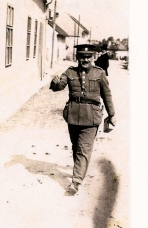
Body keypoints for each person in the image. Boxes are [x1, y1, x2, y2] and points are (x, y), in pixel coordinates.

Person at [49, 44, 116, 194]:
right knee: (75, 147)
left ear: (93, 57)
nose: (85, 60)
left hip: (92, 117)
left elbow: (107, 95)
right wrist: (55, 82)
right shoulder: (70, 72)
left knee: (83, 149)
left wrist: (112, 114)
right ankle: (80, 171)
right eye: (82, 57)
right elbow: (59, 86)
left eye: (88, 57)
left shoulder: (100, 73)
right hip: (73, 115)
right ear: (77, 57)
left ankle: (76, 181)